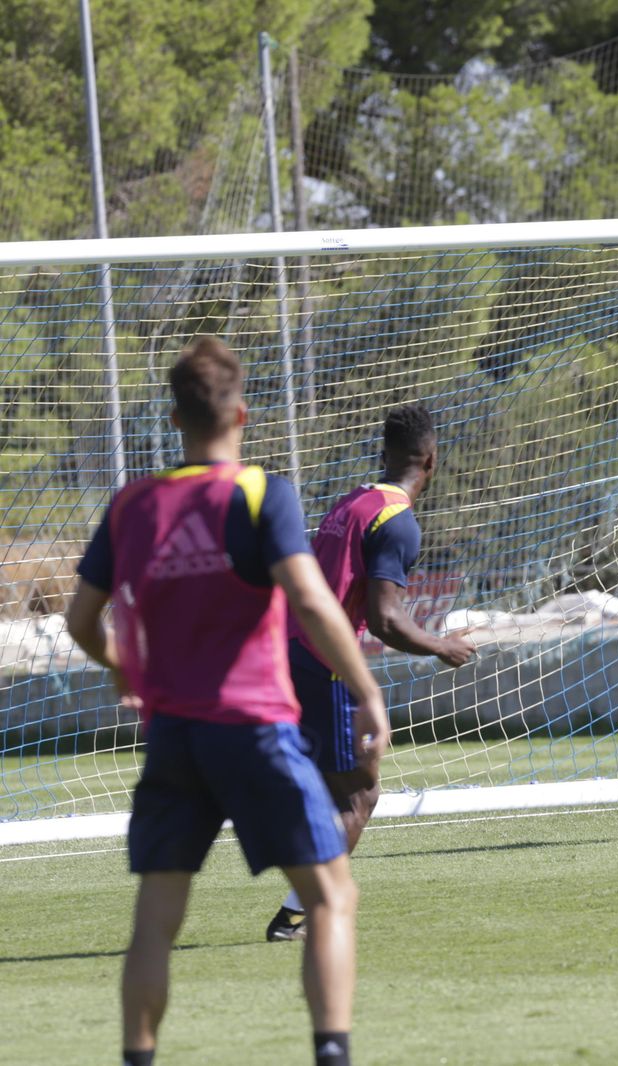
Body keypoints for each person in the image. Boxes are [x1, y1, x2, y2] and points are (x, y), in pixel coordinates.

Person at [64, 336, 388, 1066]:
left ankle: (137, 1057)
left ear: (174, 419)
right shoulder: (261, 493)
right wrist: (366, 690)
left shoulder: (133, 504)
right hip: (254, 730)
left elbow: (81, 620)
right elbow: (311, 601)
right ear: (241, 414)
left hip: (173, 736)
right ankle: (332, 1053)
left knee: (156, 921)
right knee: (331, 897)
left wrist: (121, 666)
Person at [266, 403, 475, 942]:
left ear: (384, 454)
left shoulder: (354, 501)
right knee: (360, 796)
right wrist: (441, 645)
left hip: (288, 648)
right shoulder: (399, 522)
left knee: (326, 788)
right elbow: (385, 619)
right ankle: (296, 917)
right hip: (325, 661)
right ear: (431, 460)